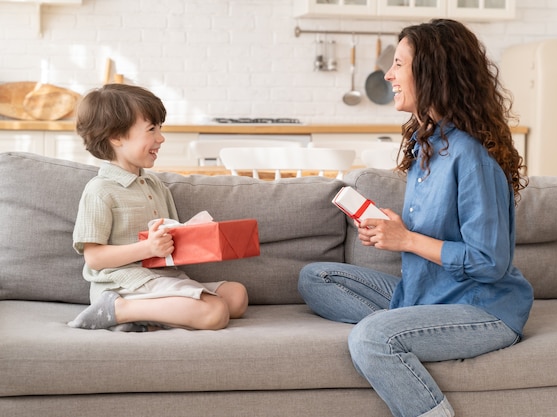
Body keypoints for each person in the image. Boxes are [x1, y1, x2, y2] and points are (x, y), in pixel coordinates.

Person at [298, 19, 533, 417]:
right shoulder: (429, 146)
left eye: (399, 64)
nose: (389, 74)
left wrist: (406, 240)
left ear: (432, 72)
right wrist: (392, 229)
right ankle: (411, 325)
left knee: (372, 337)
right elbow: (430, 231)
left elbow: (490, 263)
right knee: (315, 278)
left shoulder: (470, 155)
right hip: (428, 294)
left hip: (483, 310)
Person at [68, 83, 248, 332]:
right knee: (215, 312)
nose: (161, 138)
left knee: (237, 297)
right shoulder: (100, 190)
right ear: (116, 137)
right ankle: (118, 310)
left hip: (161, 278)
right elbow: (94, 258)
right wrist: (147, 248)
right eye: (151, 129)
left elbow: (171, 243)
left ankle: (143, 321)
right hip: (123, 285)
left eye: (159, 129)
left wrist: (197, 237)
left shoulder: (155, 184)